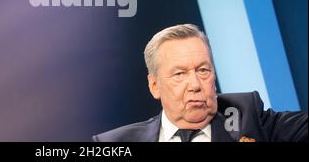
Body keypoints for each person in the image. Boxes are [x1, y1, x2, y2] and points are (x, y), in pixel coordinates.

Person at [92, 24, 308, 142]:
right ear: (154, 85)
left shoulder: (247, 115)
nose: (195, 84)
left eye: (203, 70)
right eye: (180, 74)